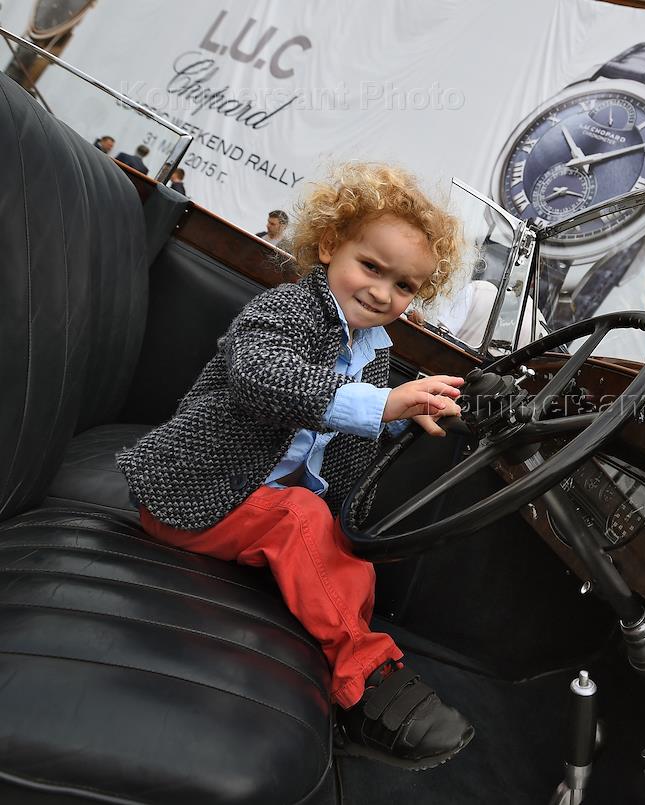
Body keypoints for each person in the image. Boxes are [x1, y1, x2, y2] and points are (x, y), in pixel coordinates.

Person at [116, 162, 475, 769]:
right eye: (371, 267)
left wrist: (401, 414)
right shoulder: (286, 310)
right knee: (302, 517)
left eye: (405, 286)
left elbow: (349, 430)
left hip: (256, 506)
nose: (383, 293)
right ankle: (367, 681)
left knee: (349, 551)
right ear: (330, 245)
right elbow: (263, 377)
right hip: (196, 495)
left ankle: (348, 676)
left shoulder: (372, 349)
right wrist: (380, 404)